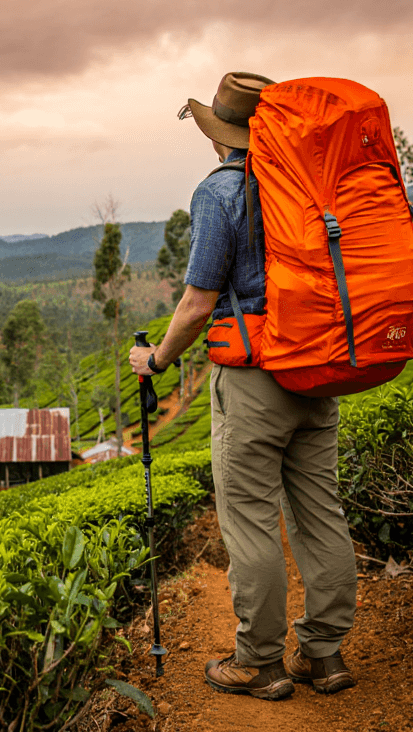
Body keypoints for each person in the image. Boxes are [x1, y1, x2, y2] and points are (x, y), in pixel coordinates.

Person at [128, 71, 358, 701]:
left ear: (219, 137)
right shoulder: (309, 182)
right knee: (320, 511)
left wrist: (158, 361)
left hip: (255, 375)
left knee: (251, 521)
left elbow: (200, 301)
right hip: (319, 366)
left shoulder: (221, 192)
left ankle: (259, 661)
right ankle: (326, 654)